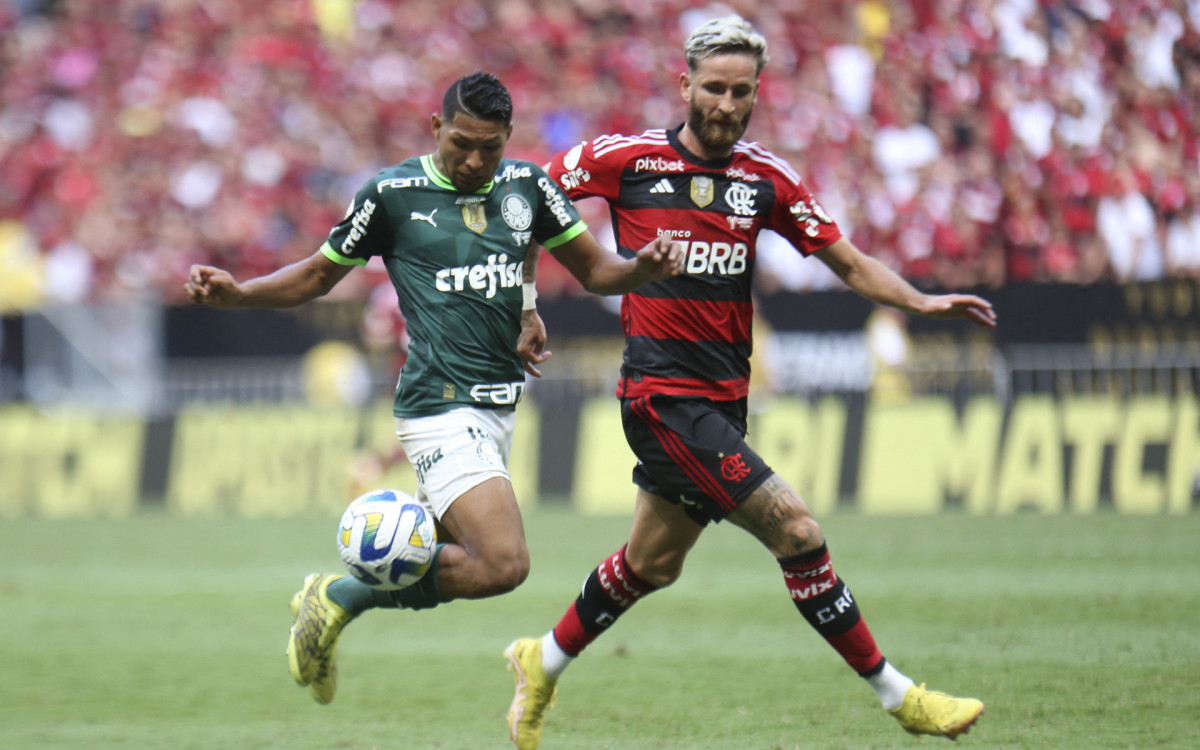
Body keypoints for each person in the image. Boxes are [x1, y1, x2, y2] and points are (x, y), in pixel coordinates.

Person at [503, 17, 995, 749]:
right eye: (714, 88)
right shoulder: (625, 160)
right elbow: (523, 204)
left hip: (724, 400)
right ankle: (902, 699)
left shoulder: (765, 179)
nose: (727, 105)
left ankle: (539, 660)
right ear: (686, 85)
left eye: (742, 92)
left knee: (652, 564)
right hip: (661, 396)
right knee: (797, 530)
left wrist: (919, 300)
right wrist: (526, 302)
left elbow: (849, 262)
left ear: (756, 93)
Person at [184, 72, 683, 706]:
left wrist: (637, 268)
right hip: (439, 405)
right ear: (435, 128)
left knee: (455, 559)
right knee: (504, 563)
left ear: (508, 139)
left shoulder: (528, 186)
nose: (475, 160)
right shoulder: (393, 196)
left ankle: (330, 604)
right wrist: (241, 293)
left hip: (498, 406)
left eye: (490, 147)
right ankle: (340, 596)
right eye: (462, 144)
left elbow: (593, 270)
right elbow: (316, 274)